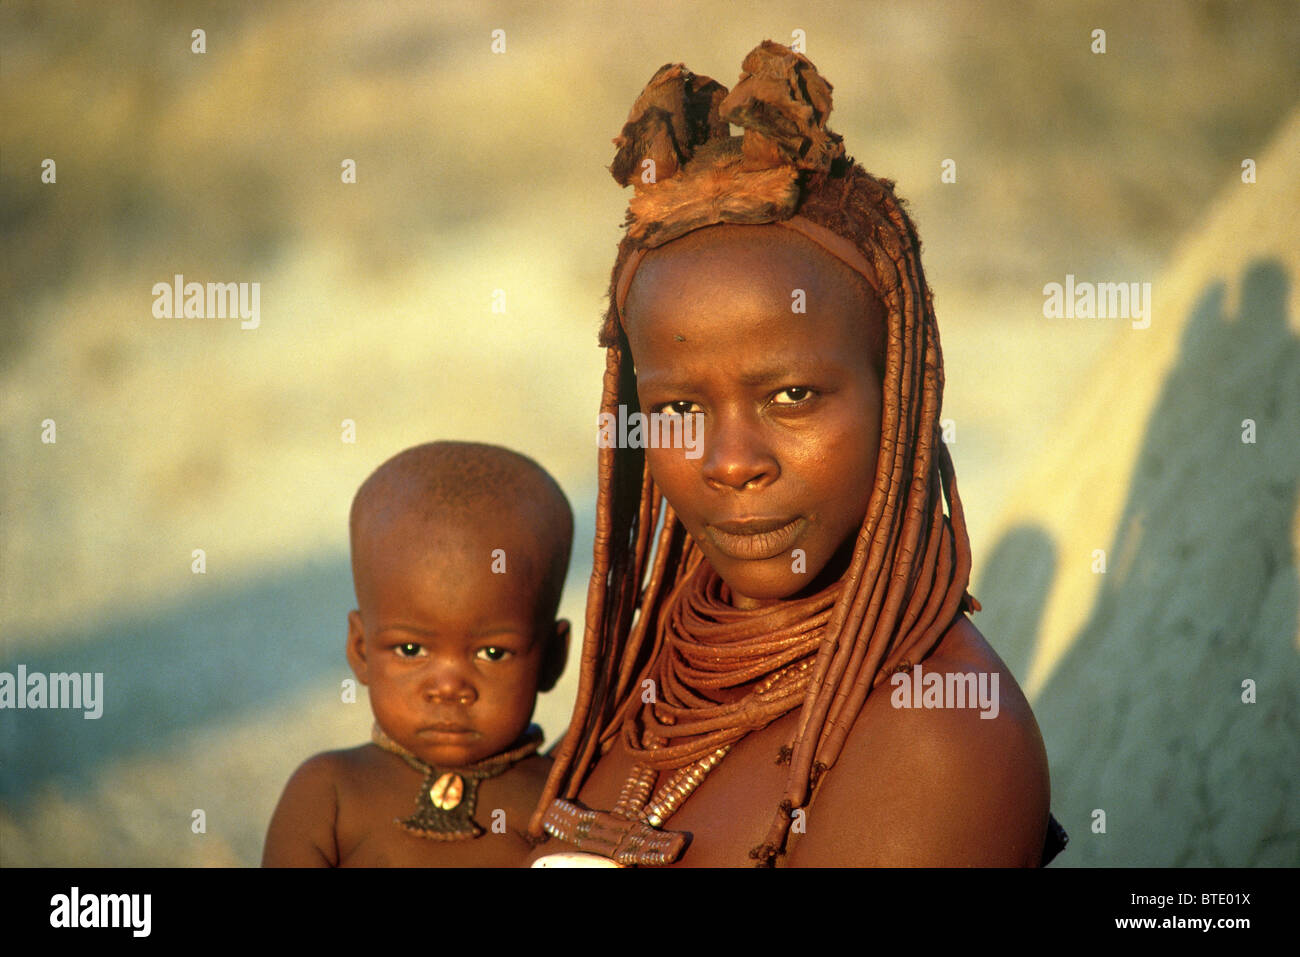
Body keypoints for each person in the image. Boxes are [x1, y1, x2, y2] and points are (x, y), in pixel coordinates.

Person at [527, 41, 1067, 866]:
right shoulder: (657, 669)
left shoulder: (938, 736)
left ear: (898, 394)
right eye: (678, 407)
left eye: (791, 396)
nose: (731, 462)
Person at [263, 441, 572, 866]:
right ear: (360, 650)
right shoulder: (329, 792)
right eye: (411, 649)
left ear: (553, 658)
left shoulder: (559, 806)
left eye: (493, 653)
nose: (448, 687)